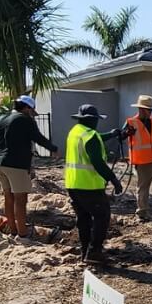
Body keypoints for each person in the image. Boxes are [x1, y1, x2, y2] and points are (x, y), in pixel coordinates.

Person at [64, 104, 124, 266]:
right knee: (102, 216)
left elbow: (95, 137)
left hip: (73, 184)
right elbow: (97, 162)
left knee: (84, 218)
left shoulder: (76, 132)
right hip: (89, 186)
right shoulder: (90, 136)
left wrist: (111, 135)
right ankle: (95, 251)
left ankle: (85, 252)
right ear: (92, 120)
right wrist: (114, 180)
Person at [0, 95, 58, 238]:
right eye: (31, 110)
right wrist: (54, 148)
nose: (32, 114)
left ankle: (13, 230)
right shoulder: (25, 119)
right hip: (16, 164)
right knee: (21, 200)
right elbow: (38, 137)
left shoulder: (1, 119)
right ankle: (22, 234)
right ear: (27, 108)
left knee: (8, 198)